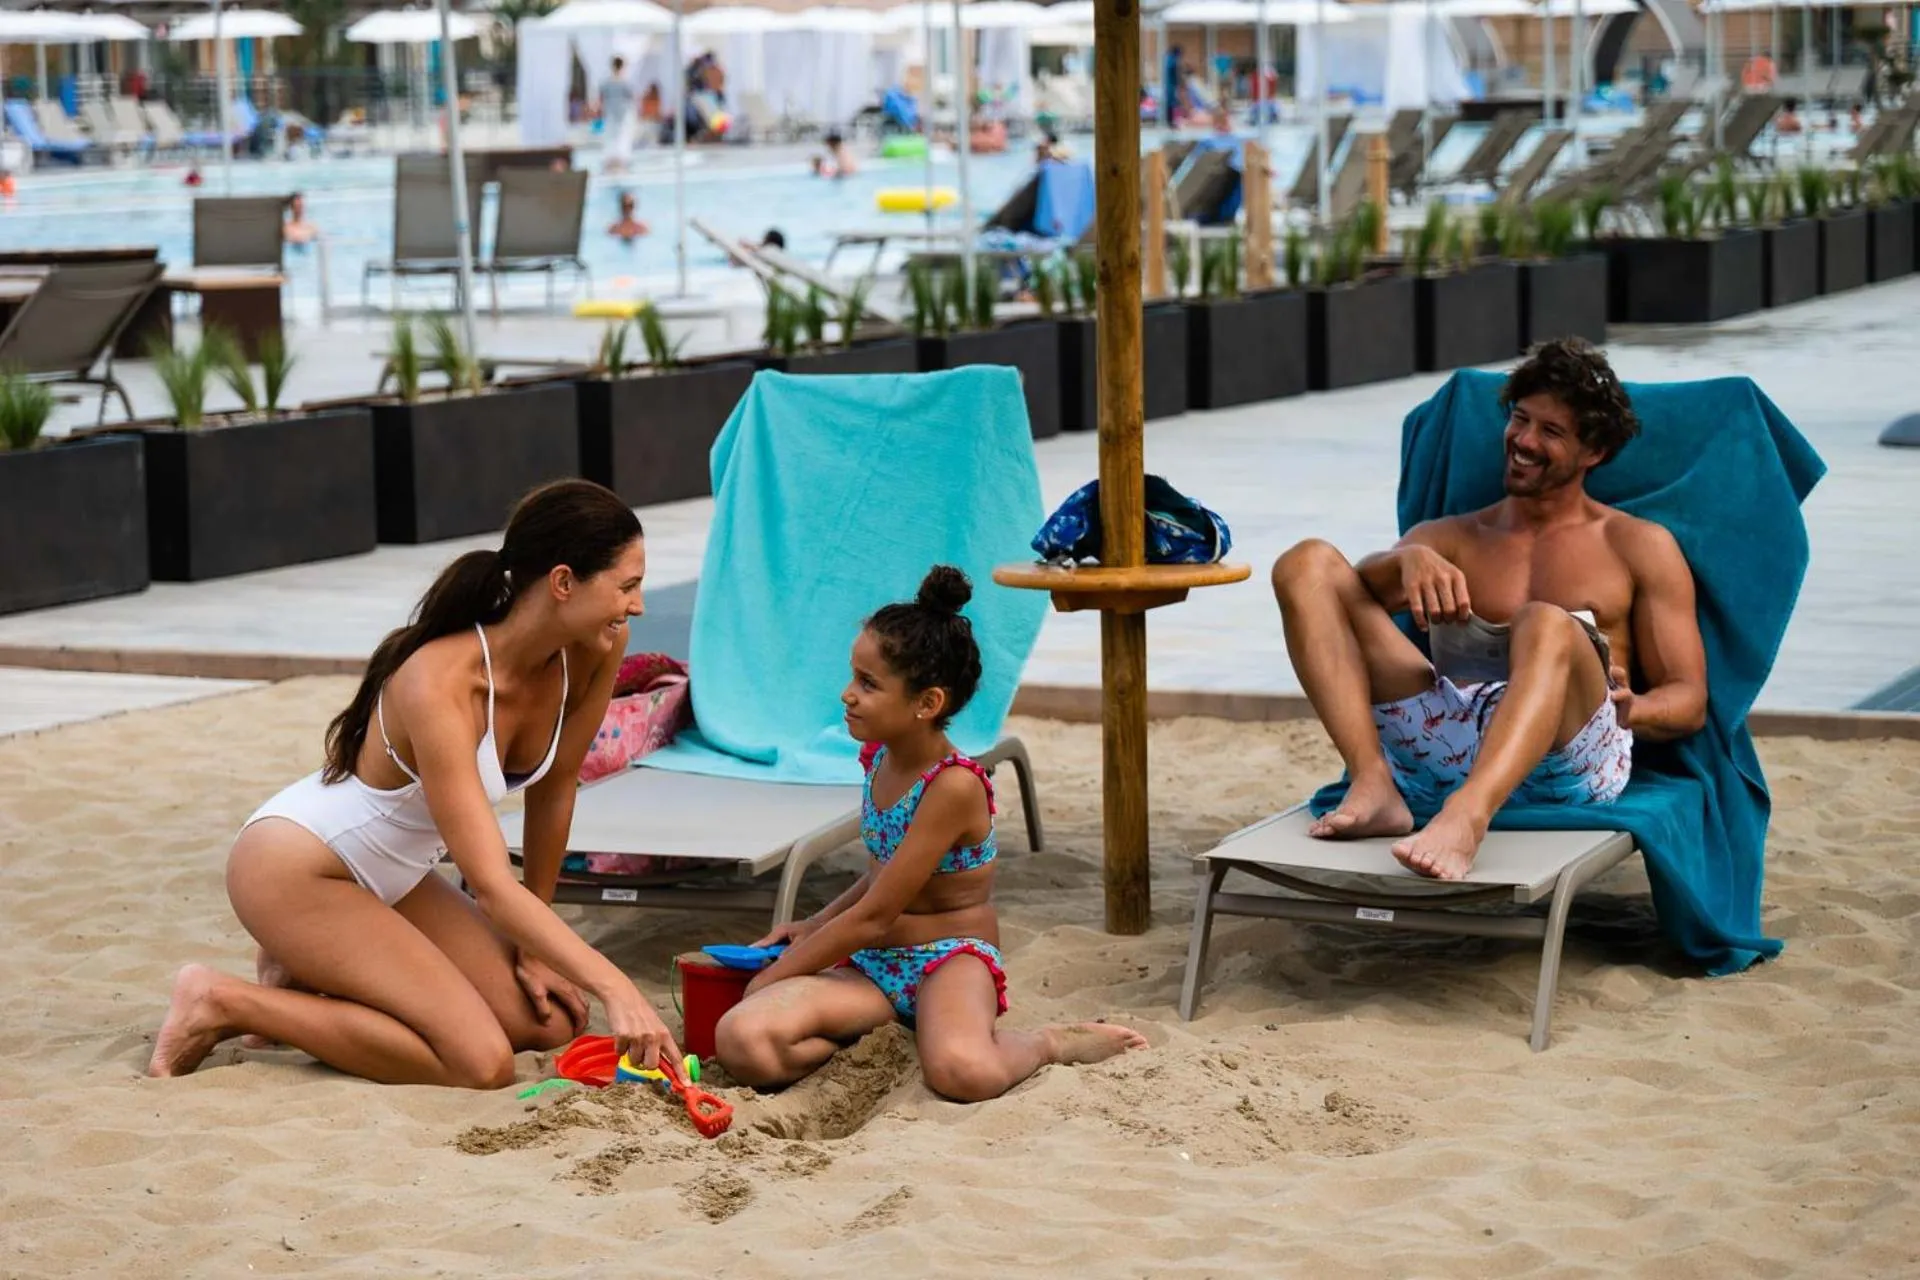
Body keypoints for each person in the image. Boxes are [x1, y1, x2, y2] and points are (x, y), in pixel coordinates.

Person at [148, 480, 683, 1087]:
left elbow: (556, 786)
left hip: (395, 874)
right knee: (478, 1063)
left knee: (550, 1022)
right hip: (299, 868)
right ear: (564, 582)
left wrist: (535, 943)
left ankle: (301, 969)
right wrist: (616, 986)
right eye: (627, 585)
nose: (636, 605)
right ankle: (223, 1001)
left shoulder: (598, 645)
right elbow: (486, 884)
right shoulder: (440, 682)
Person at [1270, 339, 1708, 881]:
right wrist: (1405, 561)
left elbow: (1689, 700)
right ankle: (1373, 782)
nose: (1523, 441)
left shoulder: (1638, 545)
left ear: (1593, 452)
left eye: (1550, 431)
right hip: (1447, 740)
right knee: (1305, 563)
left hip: (1568, 759)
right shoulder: (1453, 536)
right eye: (1520, 419)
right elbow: (1338, 607)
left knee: (1546, 620)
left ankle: (1467, 817)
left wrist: (1633, 708)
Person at [714, 567, 1147, 1102]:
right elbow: (881, 874)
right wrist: (812, 926)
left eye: (869, 684)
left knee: (964, 1074)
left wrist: (774, 976)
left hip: (948, 959)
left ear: (927, 704)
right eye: (853, 676)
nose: (848, 695)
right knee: (743, 1040)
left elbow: (875, 916)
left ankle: (1045, 1043)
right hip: (876, 965)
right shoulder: (878, 758)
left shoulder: (954, 786)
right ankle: (883, 1039)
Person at [598, 56, 638, 173]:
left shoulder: (607, 82)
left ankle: (613, 160)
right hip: (621, 113)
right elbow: (631, 98)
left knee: (612, 136)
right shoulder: (625, 82)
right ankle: (619, 160)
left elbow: (602, 97)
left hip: (612, 112)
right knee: (621, 136)